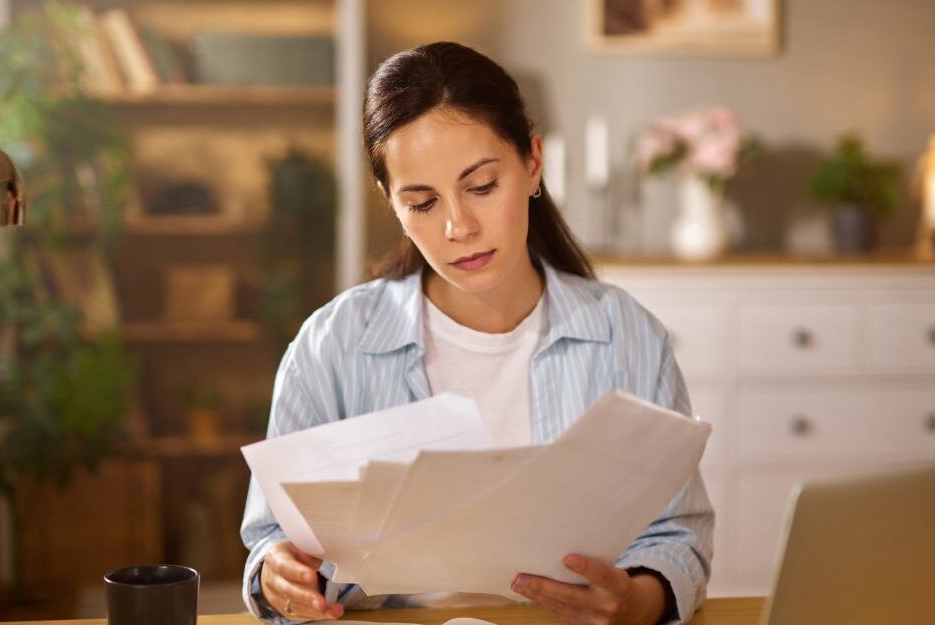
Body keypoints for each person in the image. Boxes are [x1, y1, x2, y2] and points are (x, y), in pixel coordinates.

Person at [240, 41, 713, 625]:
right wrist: (278, 576)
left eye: (482, 186)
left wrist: (638, 600)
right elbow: (271, 541)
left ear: (532, 163)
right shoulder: (330, 347)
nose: (458, 227)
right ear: (391, 203)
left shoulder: (626, 336)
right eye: (422, 203)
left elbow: (676, 537)